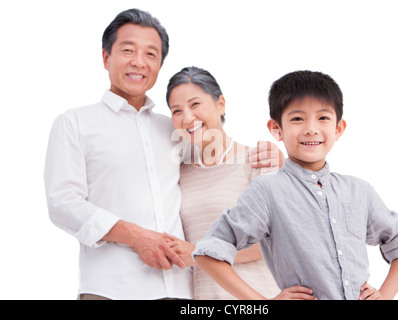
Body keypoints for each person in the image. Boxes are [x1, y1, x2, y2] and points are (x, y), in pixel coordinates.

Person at [43, 9, 281, 300]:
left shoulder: (172, 130)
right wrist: (135, 236)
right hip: (110, 288)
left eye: (150, 54)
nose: (139, 62)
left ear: (159, 65)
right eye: (128, 50)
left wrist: (275, 157)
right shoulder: (76, 124)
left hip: (181, 289)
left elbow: (215, 157)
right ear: (106, 58)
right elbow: (62, 203)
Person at [193, 70, 398, 300]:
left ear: (338, 128)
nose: (311, 128)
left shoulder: (359, 191)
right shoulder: (267, 191)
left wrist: (384, 295)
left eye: (323, 118)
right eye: (297, 118)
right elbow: (208, 253)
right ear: (276, 129)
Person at [164, 66, 281, 299]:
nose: (187, 118)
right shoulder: (178, 173)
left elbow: (274, 243)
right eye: (177, 110)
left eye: (195, 104)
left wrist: (199, 253)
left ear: (220, 104)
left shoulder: (259, 161)